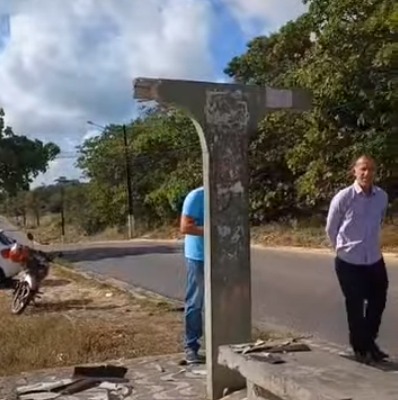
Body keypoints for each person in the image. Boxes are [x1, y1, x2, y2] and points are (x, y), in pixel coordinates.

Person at [325, 155, 389, 363]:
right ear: (354, 171)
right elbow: (331, 228)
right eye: (362, 169)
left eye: (371, 169)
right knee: (355, 304)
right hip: (349, 261)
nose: (367, 173)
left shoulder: (381, 196)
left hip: (373, 258)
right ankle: (360, 348)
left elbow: (379, 221)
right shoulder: (344, 197)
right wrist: (342, 249)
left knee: (378, 301)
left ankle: (369, 342)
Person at [180, 186, 205, 364]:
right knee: (195, 302)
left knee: (223, 301)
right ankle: (191, 347)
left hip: (221, 256)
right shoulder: (197, 196)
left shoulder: (231, 193)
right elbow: (185, 226)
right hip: (198, 256)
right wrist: (214, 230)